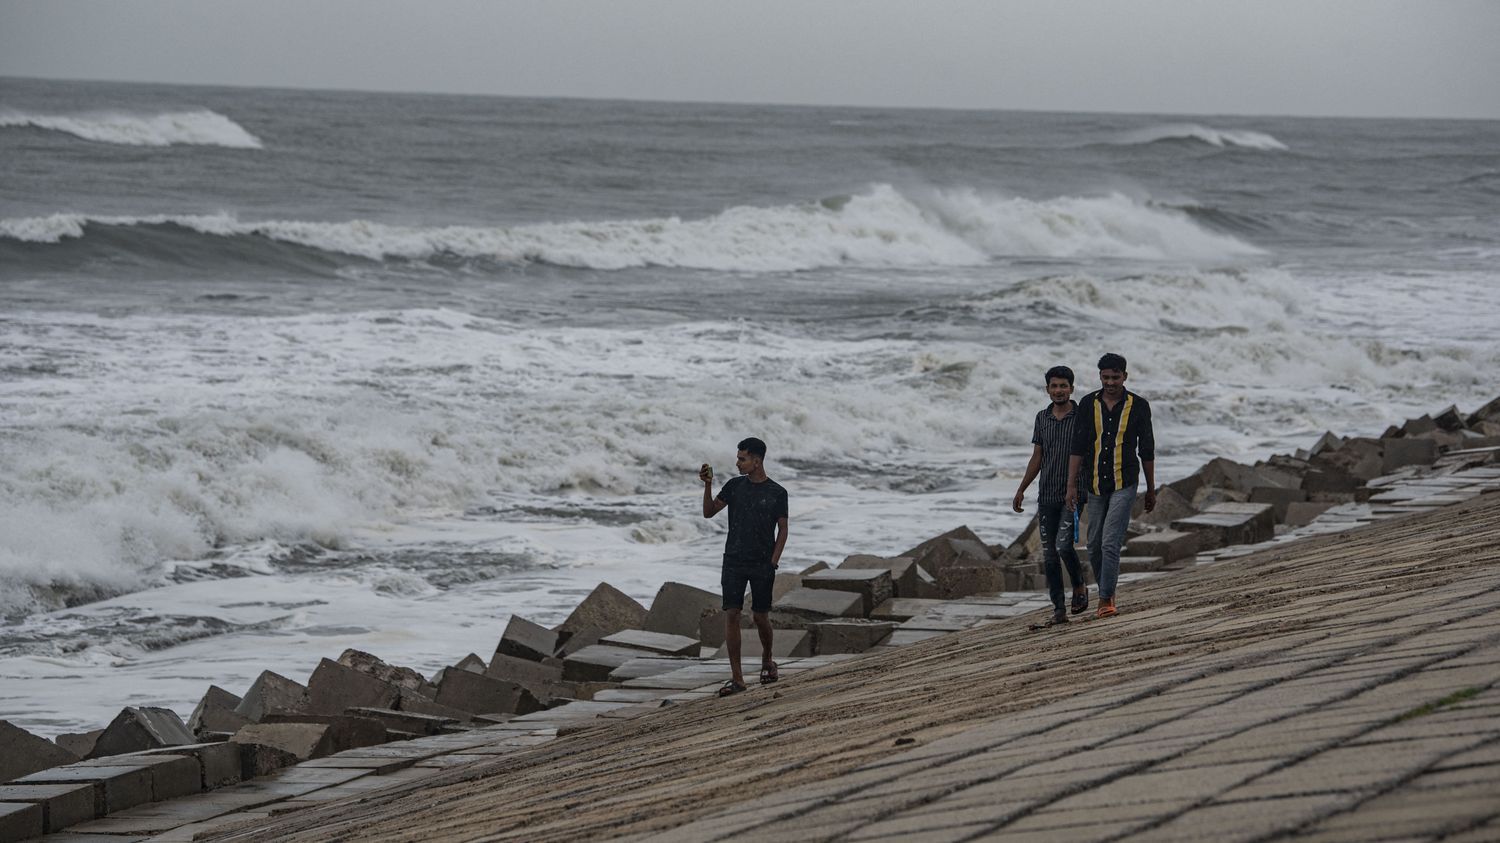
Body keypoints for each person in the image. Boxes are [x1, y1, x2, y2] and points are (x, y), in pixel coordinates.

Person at [1066, 353, 1156, 619]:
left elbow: (1147, 450)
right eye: (1105, 377)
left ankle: (1106, 598)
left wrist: (1151, 489)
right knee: (1092, 544)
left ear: (1125, 377)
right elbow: (1078, 447)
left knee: (1109, 543)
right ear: (1100, 377)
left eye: (1115, 377)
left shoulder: (1138, 405)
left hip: (1124, 482)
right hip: (1094, 484)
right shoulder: (1087, 403)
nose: (1110, 382)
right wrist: (1071, 485)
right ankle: (1106, 588)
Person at [700, 436, 788, 696]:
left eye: (742, 459)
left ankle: (767, 661)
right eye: (738, 458)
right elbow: (709, 512)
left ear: (757, 461)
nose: (738, 463)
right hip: (734, 560)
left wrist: (773, 560)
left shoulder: (777, 492)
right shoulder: (734, 486)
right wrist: (707, 485)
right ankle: (737, 678)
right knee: (732, 613)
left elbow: (783, 529)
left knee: (760, 616)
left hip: (762, 563)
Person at [1013, 365, 1090, 625]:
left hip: (1074, 493)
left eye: (1063, 386)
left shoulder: (1083, 417)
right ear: (1047, 389)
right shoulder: (1042, 418)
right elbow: (1038, 456)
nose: (1059, 391)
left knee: (1063, 546)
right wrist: (1022, 488)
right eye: (1054, 386)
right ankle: (1058, 609)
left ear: (1072, 388)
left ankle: (1079, 586)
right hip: (1046, 494)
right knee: (1049, 555)